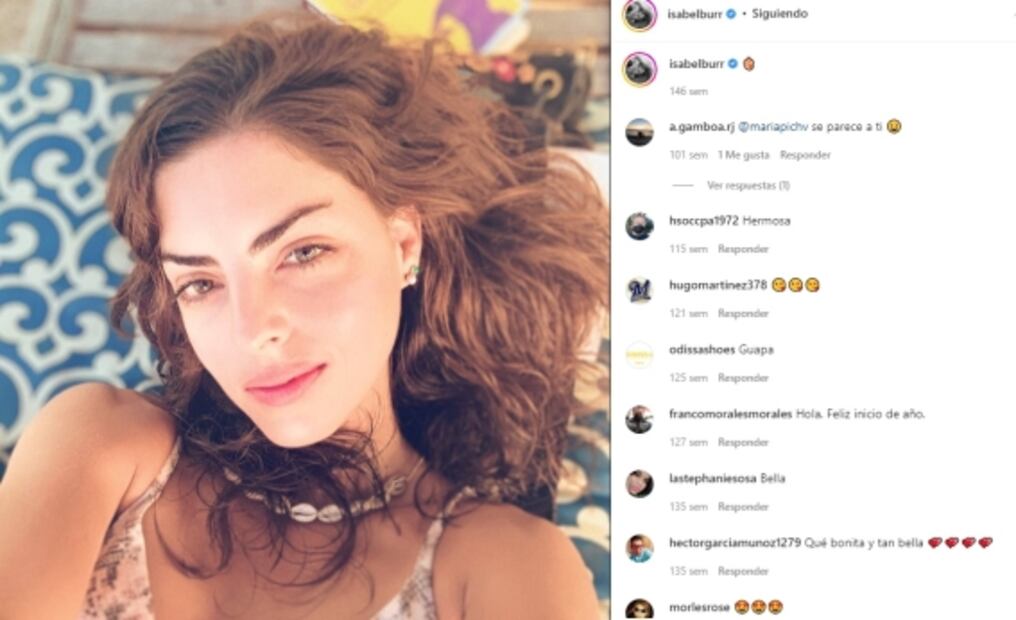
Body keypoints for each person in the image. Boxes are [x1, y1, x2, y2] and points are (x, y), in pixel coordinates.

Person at [0, 11, 607, 619]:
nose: (253, 331)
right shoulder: (101, 446)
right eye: (201, 283)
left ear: (403, 243)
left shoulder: (503, 563)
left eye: (303, 253)